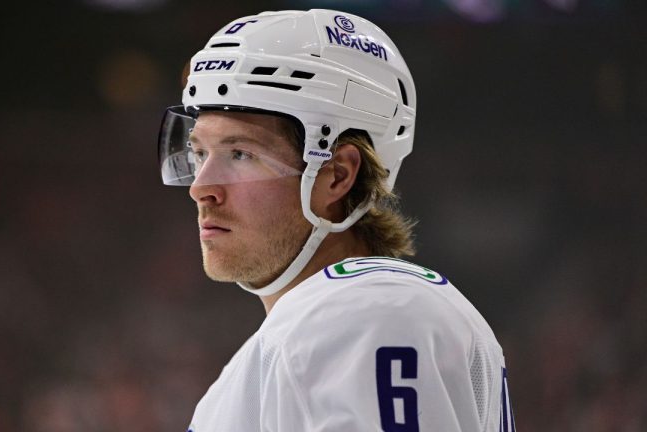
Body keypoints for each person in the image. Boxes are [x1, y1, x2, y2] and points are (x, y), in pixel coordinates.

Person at [158, 9, 516, 432]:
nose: (201, 186)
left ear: (337, 175)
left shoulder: (365, 313)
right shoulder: (323, 321)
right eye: (200, 153)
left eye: (241, 154)